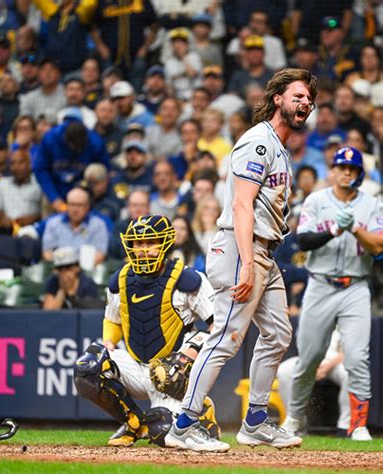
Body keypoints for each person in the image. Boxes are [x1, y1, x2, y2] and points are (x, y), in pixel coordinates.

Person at [165, 68, 318, 451]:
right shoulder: (260, 143)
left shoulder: (280, 148)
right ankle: (183, 424)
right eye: (298, 95)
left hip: (263, 249)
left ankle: (255, 421)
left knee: (279, 334)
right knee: (226, 339)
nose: (306, 103)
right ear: (277, 98)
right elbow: (241, 203)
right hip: (240, 246)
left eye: (309, 99)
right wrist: (248, 264)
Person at [74, 215, 221, 448]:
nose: (143, 250)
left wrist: (193, 351)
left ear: (164, 243)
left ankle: (200, 411)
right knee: (88, 367)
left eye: (149, 242)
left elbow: (219, 328)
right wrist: (109, 343)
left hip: (172, 373)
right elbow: (112, 320)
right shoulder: (120, 280)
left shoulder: (187, 279)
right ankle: (133, 422)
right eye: (138, 244)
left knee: (162, 431)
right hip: (137, 365)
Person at [282, 146, 383, 442]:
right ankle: (294, 417)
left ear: (359, 173)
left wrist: (353, 229)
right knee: (309, 358)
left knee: (357, 358)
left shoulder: (373, 205)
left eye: (352, 168)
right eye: (341, 167)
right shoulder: (316, 200)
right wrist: (335, 231)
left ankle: (358, 424)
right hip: (321, 284)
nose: (346, 172)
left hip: (355, 285)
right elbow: (304, 241)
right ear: (333, 170)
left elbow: (378, 247)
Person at [33, 110, 110, 213]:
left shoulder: (95, 142)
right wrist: (54, 199)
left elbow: (105, 170)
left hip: (85, 189)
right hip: (56, 188)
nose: (77, 150)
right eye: (74, 147)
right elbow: (41, 170)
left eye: (80, 148)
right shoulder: (50, 139)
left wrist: (94, 191)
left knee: (96, 170)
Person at [277, 329, 350, 436]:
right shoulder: (311, 317)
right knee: (283, 370)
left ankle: (345, 426)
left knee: (349, 374)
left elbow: (347, 351)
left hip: (335, 363)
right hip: (308, 360)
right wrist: (311, 366)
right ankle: (296, 422)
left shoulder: (345, 320)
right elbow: (304, 347)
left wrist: (325, 368)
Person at [42, 186, 109, 264]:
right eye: (72, 205)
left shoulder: (98, 225)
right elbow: (47, 252)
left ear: (87, 206)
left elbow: (100, 254)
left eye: (79, 205)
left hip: (87, 272)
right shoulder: (53, 223)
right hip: (59, 270)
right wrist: (63, 269)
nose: (75, 209)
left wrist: (76, 270)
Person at [0, 149, 43, 234]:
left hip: (32, 229)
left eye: (21, 162)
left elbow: (44, 211)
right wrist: (2, 218)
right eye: (13, 163)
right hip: (6, 229)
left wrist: (34, 218)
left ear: (29, 164)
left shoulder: (40, 184)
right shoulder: (2, 183)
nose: (16, 167)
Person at [42, 246, 100, 310]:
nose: (64, 272)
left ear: (77, 267)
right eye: (60, 269)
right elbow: (48, 313)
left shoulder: (87, 283)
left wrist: (71, 295)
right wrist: (62, 290)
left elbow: (90, 312)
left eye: (68, 267)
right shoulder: (53, 281)